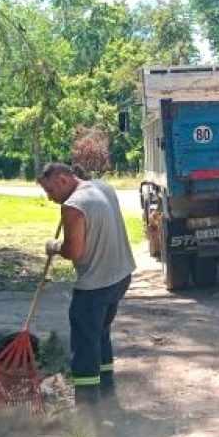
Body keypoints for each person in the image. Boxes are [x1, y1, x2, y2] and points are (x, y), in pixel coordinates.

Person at [36, 162, 135, 412]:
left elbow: (73, 250)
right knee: (100, 334)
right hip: (120, 277)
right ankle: (107, 394)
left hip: (95, 285)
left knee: (84, 345)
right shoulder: (104, 188)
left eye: (49, 190)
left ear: (61, 179)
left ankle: (87, 409)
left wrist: (55, 246)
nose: (49, 198)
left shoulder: (73, 206)